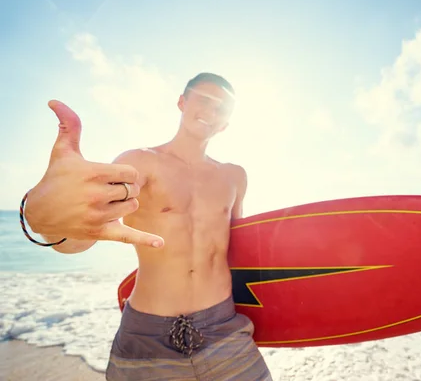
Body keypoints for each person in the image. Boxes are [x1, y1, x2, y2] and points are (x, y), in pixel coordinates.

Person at [20, 73, 273, 380]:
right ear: (182, 102)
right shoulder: (141, 163)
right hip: (147, 335)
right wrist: (49, 222)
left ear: (226, 123)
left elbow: (238, 250)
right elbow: (81, 236)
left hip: (224, 327)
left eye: (221, 108)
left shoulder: (235, 176)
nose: (210, 111)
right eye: (204, 99)